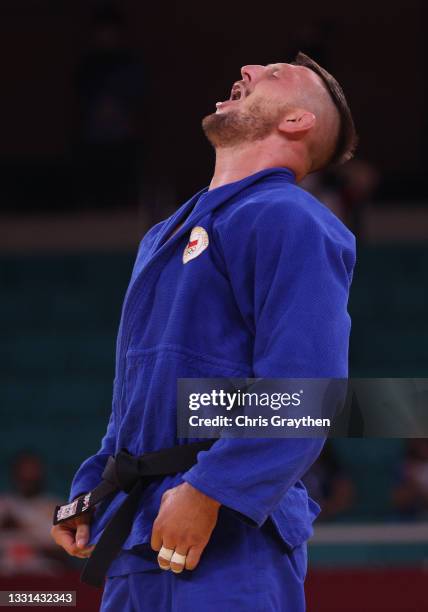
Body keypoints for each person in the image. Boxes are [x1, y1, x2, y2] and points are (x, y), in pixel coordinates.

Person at [51, 52, 357, 611]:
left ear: (297, 121)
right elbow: (137, 396)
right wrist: (95, 487)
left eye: (272, 75)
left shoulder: (293, 219)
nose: (246, 70)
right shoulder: (165, 234)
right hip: (135, 532)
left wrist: (212, 489)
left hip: (230, 535)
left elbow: (308, 396)